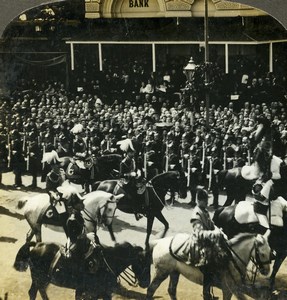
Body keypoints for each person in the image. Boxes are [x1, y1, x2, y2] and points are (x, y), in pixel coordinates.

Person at [190, 189, 227, 300]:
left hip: (208, 240)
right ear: (199, 200)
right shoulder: (196, 214)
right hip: (200, 244)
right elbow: (199, 234)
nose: (207, 202)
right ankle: (206, 293)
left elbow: (211, 224)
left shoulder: (204, 211)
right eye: (205, 200)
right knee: (209, 262)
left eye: (207, 200)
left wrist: (219, 231)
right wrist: (214, 233)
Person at [118, 138, 143, 220]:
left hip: (133, 179)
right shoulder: (123, 162)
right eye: (131, 152)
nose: (132, 154)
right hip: (125, 181)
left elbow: (136, 169)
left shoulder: (133, 161)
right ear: (127, 153)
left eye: (133, 152)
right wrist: (130, 174)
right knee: (133, 193)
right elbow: (121, 175)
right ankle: (136, 212)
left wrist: (138, 172)